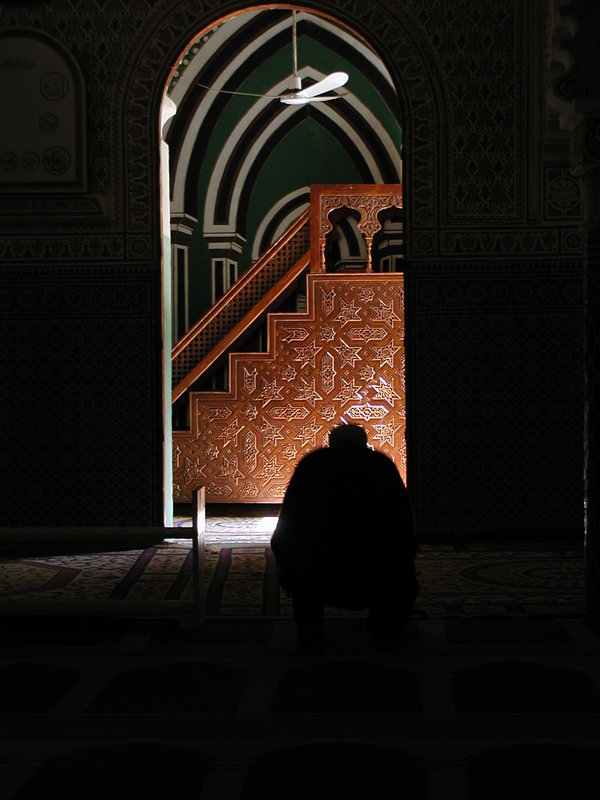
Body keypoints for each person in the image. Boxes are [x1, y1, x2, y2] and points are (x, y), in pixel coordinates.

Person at [270, 423, 418, 648]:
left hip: (317, 574)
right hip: (377, 573)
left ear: (331, 443)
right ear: (364, 443)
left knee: (301, 564)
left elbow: (288, 524)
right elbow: (404, 524)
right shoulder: (381, 465)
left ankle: (310, 632)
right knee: (401, 575)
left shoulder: (312, 465)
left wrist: (287, 563)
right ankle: (385, 632)